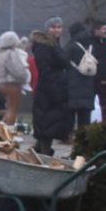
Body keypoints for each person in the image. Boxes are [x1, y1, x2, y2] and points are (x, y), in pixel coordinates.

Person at [31, 18, 70, 155]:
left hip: (56, 88)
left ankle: (38, 150)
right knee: (47, 124)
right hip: (48, 91)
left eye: (59, 27)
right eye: (53, 27)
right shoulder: (44, 46)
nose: (56, 30)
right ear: (47, 29)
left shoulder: (55, 44)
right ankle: (44, 154)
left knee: (49, 124)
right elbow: (45, 70)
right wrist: (54, 90)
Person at [66, 21, 99, 136]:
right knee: (85, 114)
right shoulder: (91, 46)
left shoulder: (71, 46)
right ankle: (84, 136)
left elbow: (64, 61)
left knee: (70, 111)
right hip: (88, 84)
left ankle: (68, 135)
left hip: (73, 83)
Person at [0, 31, 29, 127]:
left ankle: (3, 128)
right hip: (13, 84)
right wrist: (25, 76)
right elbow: (17, 70)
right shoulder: (11, 53)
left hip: (2, 85)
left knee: (9, 109)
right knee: (13, 109)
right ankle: (9, 130)